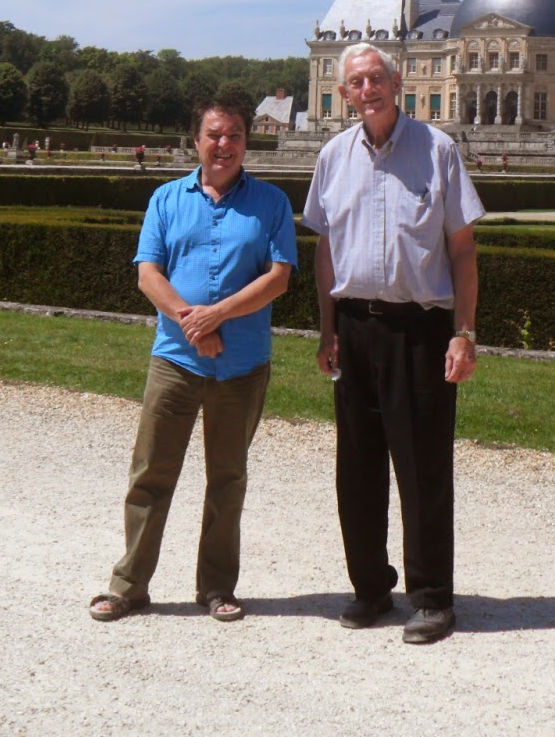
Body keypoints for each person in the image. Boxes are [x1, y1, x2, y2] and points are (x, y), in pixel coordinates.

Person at [88, 94, 297, 624]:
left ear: (247, 141)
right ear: (196, 140)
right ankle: (129, 585)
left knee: (227, 480)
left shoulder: (271, 202)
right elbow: (148, 274)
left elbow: (278, 278)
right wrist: (192, 323)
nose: (224, 144)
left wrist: (215, 315)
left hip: (242, 365)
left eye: (234, 135)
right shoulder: (165, 198)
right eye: (214, 135)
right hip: (176, 361)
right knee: (150, 473)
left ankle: (217, 588)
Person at [303, 43, 485, 645]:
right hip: (354, 328)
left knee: (423, 467)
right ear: (344, 93)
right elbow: (325, 250)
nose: (368, 89)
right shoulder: (332, 156)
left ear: (397, 82)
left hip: (419, 330)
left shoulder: (437, 149)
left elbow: (463, 251)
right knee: (356, 468)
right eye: (356, 82)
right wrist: (327, 327)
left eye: (376, 77)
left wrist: (464, 332)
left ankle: (432, 598)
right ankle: (371, 588)